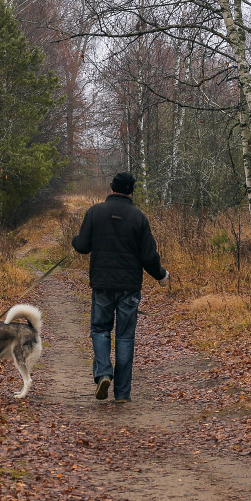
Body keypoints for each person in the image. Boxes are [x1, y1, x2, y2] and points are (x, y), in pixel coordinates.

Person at [70, 172, 170, 402]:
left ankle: (104, 372)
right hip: (129, 286)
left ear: (112, 188)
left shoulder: (95, 212)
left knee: (100, 330)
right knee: (125, 338)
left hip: (102, 283)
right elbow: (149, 256)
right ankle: (122, 393)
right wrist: (161, 275)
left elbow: (82, 246)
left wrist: (75, 239)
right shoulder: (139, 218)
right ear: (130, 191)